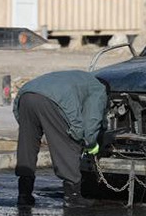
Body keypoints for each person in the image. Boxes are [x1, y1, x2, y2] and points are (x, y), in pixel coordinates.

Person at [13, 70, 109, 208]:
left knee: (27, 146)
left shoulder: (79, 77)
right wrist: (90, 142)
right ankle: (73, 197)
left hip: (26, 95)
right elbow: (91, 121)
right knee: (67, 145)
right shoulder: (99, 89)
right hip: (53, 100)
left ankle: (24, 195)